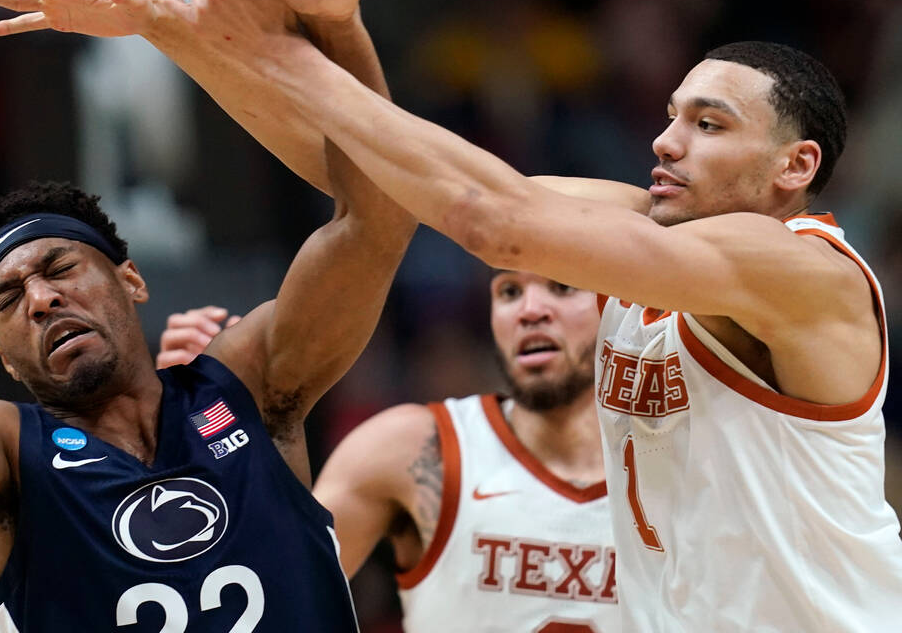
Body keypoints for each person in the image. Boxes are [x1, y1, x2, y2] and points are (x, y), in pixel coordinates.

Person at [0, 0, 902, 629]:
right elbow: (382, 179)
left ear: (796, 168)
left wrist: (280, 49)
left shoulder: (800, 270)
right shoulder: (645, 225)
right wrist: (178, 28)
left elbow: (491, 221)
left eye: (709, 123)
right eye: (669, 114)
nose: (664, 139)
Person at [0, 0, 414, 631]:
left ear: (132, 281)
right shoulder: (12, 464)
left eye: (60, 267)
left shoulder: (246, 383)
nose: (39, 298)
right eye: (7, 298)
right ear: (2, 356)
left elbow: (373, 226)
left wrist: (338, 25)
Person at [158, 270, 618, 633]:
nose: (530, 311)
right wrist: (195, 429)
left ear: (625, 305)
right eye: (510, 291)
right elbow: (258, 595)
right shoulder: (411, 449)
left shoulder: (682, 456)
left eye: (562, 285)